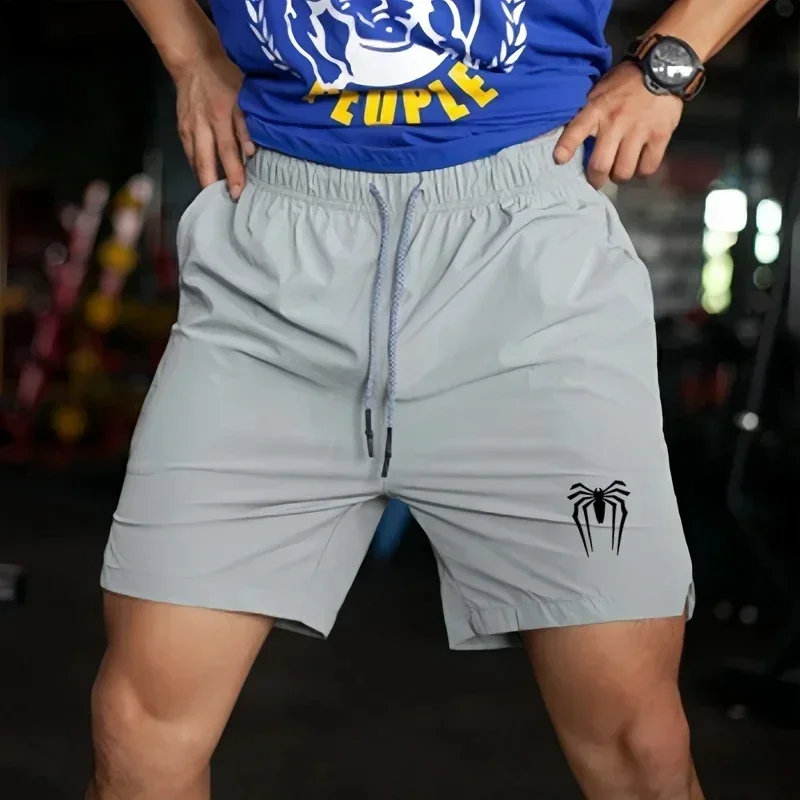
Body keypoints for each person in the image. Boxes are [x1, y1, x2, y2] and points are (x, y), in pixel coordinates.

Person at [88, 1, 767, 798]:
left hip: (528, 265)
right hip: (269, 267)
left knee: (635, 744)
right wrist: (188, 50)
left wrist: (669, 62)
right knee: (139, 733)